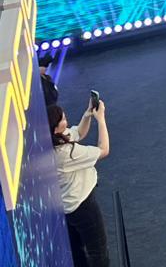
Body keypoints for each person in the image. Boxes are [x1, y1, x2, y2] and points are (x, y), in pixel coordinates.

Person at [49, 97, 111, 267]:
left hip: (68, 205)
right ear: (55, 128)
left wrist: (87, 114)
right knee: (98, 251)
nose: (66, 119)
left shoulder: (51, 140)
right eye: (62, 119)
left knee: (76, 249)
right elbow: (104, 150)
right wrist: (101, 119)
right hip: (83, 205)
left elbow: (78, 133)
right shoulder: (67, 153)